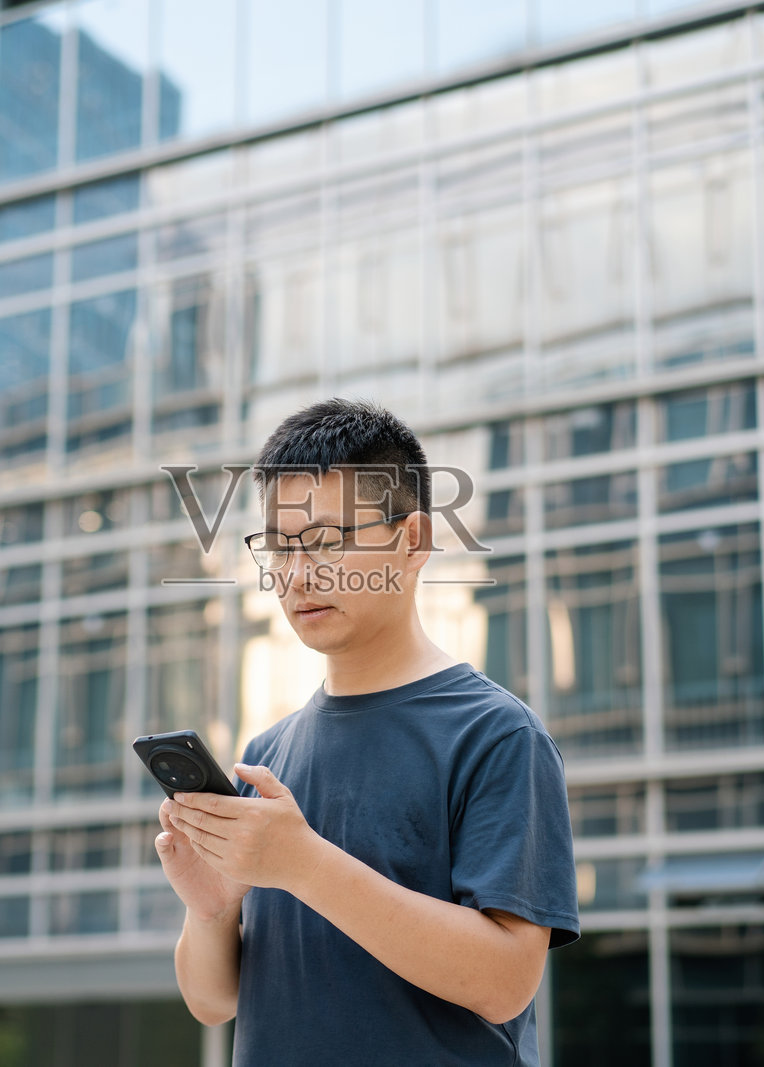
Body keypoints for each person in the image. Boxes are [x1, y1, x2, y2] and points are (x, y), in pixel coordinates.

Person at [154, 398, 579, 1065]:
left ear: (412, 541)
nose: (296, 575)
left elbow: (504, 982)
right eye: (278, 546)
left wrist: (300, 863)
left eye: (325, 541)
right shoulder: (266, 756)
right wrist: (210, 909)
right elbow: (213, 1000)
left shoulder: (497, 735)